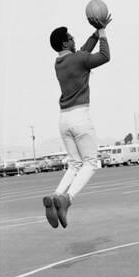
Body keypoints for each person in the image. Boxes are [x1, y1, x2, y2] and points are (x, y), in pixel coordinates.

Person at [43, 13, 112, 229]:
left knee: (74, 164)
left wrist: (95, 32)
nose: (74, 40)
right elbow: (104, 55)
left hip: (64, 119)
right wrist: (102, 33)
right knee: (91, 163)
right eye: (71, 38)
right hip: (81, 117)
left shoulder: (60, 62)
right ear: (65, 42)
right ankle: (67, 199)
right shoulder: (79, 59)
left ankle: (56, 195)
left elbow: (82, 51)